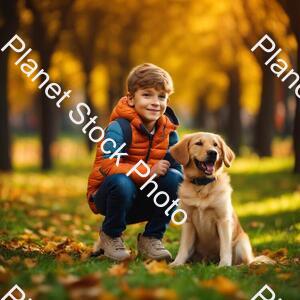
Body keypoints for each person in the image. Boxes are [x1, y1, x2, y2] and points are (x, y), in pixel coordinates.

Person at [87, 63, 183, 261]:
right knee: (121, 182)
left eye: (162, 96)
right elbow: (107, 166)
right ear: (131, 99)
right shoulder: (118, 128)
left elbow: (178, 173)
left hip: (144, 198)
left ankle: (151, 238)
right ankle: (111, 235)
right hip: (110, 196)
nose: (156, 102)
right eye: (147, 95)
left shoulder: (168, 132)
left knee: (176, 178)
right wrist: (148, 171)